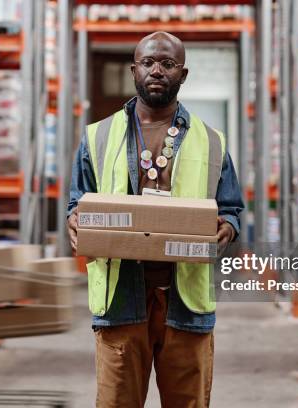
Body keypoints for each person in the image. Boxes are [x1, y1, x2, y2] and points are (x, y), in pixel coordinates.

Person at [67, 32, 244, 407]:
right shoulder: (97, 137)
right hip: (121, 298)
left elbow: (230, 209)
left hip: (184, 302)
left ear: (184, 73)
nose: (157, 71)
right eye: (148, 63)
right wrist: (75, 223)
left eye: (167, 63)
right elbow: (77, 202)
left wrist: (226, 228)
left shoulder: (212, 142)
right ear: (135, 69)